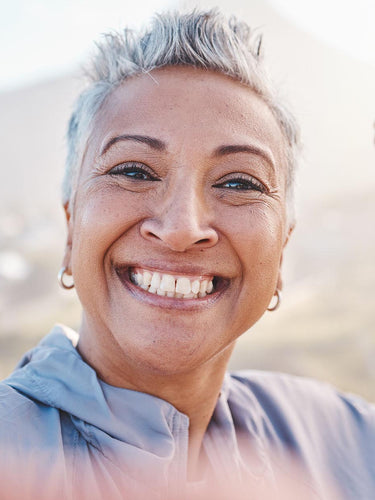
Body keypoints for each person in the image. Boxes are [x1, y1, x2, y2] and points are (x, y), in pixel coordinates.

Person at [0, 9, 373, 500]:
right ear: (71, 232)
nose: (182, 229)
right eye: (134, 171)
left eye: (239, 182)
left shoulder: (346, 442)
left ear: (282, 251)